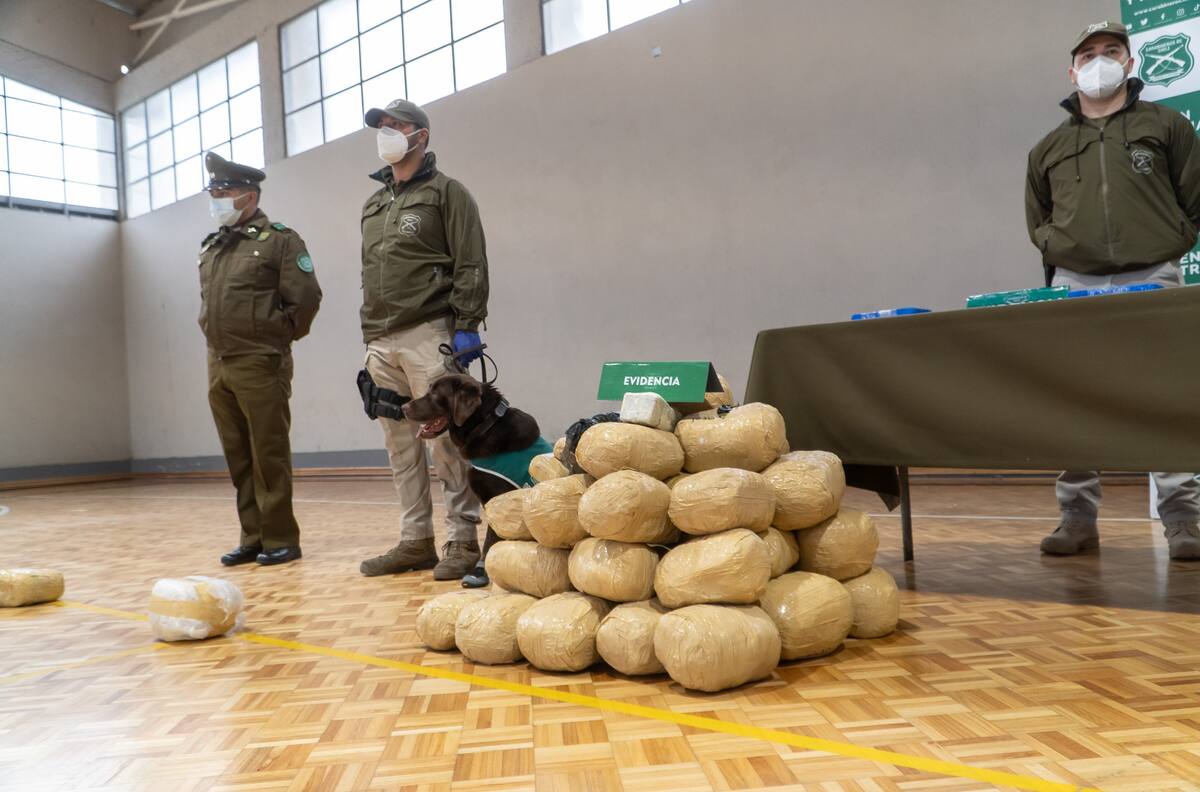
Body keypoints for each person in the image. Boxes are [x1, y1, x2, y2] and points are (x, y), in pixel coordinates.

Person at [1025, 20, 1200, 560]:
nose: (1099, 60)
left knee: (1162, 396)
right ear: (1072, 71)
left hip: (1152, 276)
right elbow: (1038, 220)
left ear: (1129, 62)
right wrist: (1060, 246)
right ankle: (1077, 520)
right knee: (1074, 397)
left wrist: (1171, 238)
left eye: (1111, 50)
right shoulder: (1048, 147)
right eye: (1089, 54)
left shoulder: (1167, 126)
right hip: (1074, 284)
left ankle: (1184, 521)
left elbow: (1194, 198)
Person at [357, 99, 490, 579]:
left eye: (396, 125)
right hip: (380, 339)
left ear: (421, 135)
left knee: (446, 442)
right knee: (399, 444)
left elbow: (470, 260)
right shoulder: (374, 204)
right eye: (382, 126)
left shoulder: (447, 193)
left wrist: (467, 323)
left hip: (429, 330)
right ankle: (415, 540)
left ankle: (463, 539)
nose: (386, 132)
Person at [199, 151, 322, 567]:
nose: (216, 199)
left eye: (224, 192)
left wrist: (274, 339)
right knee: (238, 455)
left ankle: (281, 538)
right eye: (214, 192)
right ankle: (252, 536)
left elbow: (306, 299)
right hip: (219, 362)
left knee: (268, 454)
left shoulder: (279, 241)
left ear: (248, 196)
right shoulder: (214, 246)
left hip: (260, 361)